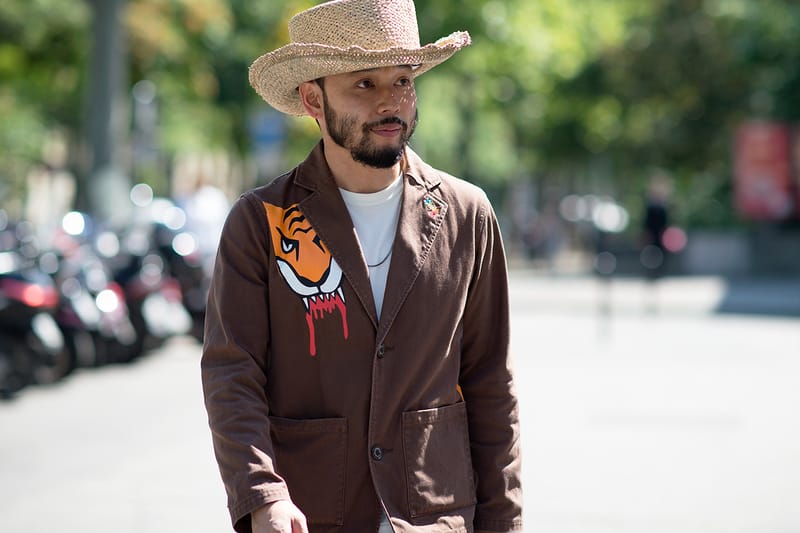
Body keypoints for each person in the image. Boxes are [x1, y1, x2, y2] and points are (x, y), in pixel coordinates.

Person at [200, 1, 523, 532]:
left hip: (436, 517)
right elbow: (232, 374)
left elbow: (492, 384)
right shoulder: (261, 221)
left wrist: (504, 524)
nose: (390, 101)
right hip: (308, 514)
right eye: (364, 84)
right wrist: (261, 494)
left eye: (402, 80)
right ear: (313, 99)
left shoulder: (468, 214)